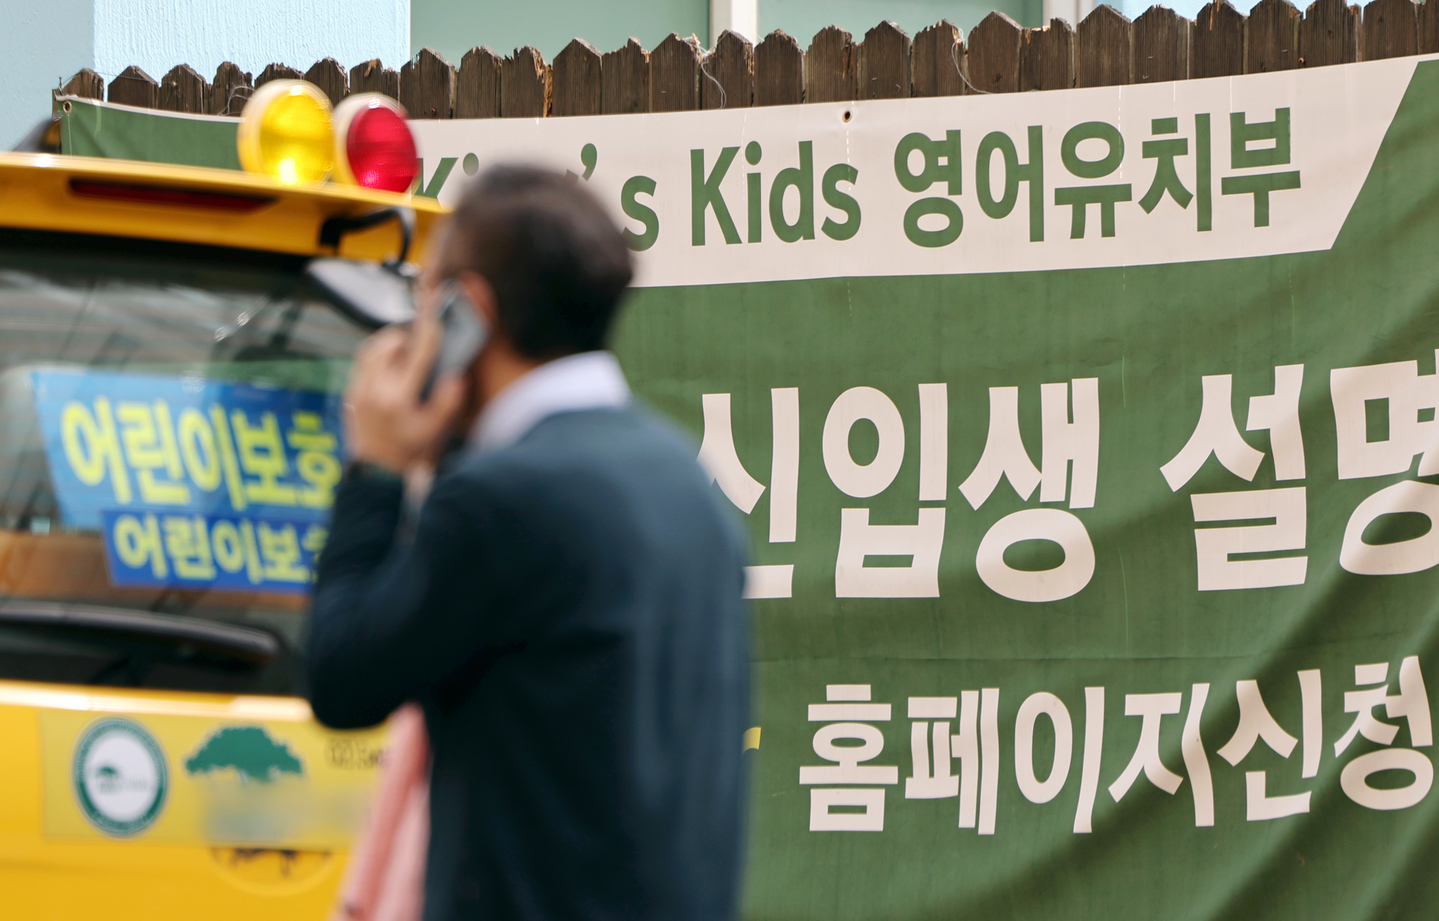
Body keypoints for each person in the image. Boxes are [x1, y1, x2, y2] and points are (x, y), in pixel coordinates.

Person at [306, 165, 751, 921]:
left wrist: (373, 469)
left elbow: (343, 674)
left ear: (467, 310)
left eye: (426, 299)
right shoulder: (686, 481)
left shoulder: (499, 502)